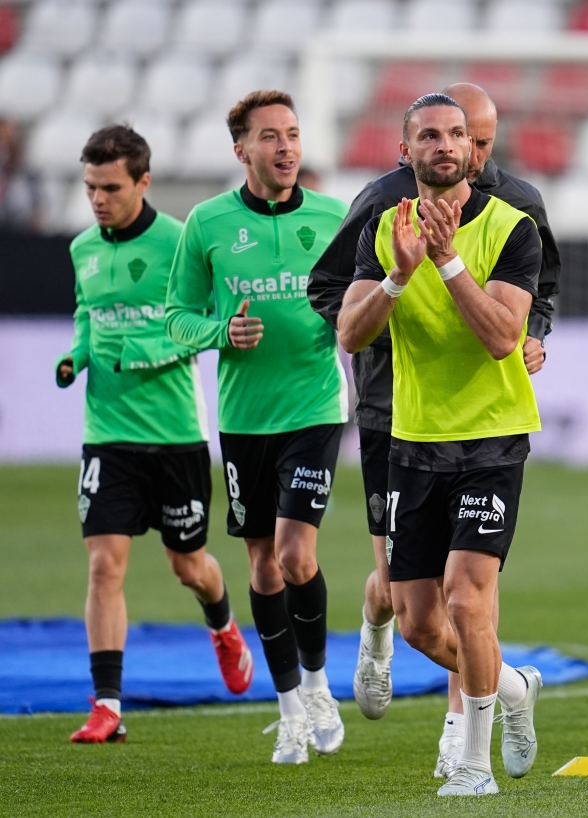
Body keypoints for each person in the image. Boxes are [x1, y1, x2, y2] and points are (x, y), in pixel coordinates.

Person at [307, 82, 560, 777]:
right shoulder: (382, 225)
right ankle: (512, 687)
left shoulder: (514, 224)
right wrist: (395, 277)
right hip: (408, 435)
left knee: (467, 598)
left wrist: (447, 263)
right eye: (432, 136)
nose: (449, 146)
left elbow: (505, 335)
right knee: (419, 618)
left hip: (492, 437)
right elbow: (350, 334)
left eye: (459, 135)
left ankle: (470, 763)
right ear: (405, 151)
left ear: (477, 146)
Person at [165, 91, 350, 764]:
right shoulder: (207, 224)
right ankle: (290, 707)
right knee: (265, 568)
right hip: (244, 419)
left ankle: (322, 684)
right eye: (270, 136)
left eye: (293, 134)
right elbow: (176, 318)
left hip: (315, 407)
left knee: (297, 554)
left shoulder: (336, 216)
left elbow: (365, 300)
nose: (286, 147)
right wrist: (221, 331)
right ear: (240, 148)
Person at [57, 125, 253, 743]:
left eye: (110, 187)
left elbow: (205, 322)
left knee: (187, 565)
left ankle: (222, 626)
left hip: (175, 435)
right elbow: (88, 314)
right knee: (103, 567)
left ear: (143, 182)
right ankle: (108, 705)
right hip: (107, 433)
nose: (97, 199)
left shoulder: (178, 243)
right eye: (90, 187)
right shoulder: (82, 247)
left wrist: (140, 351)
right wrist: (76, 355)